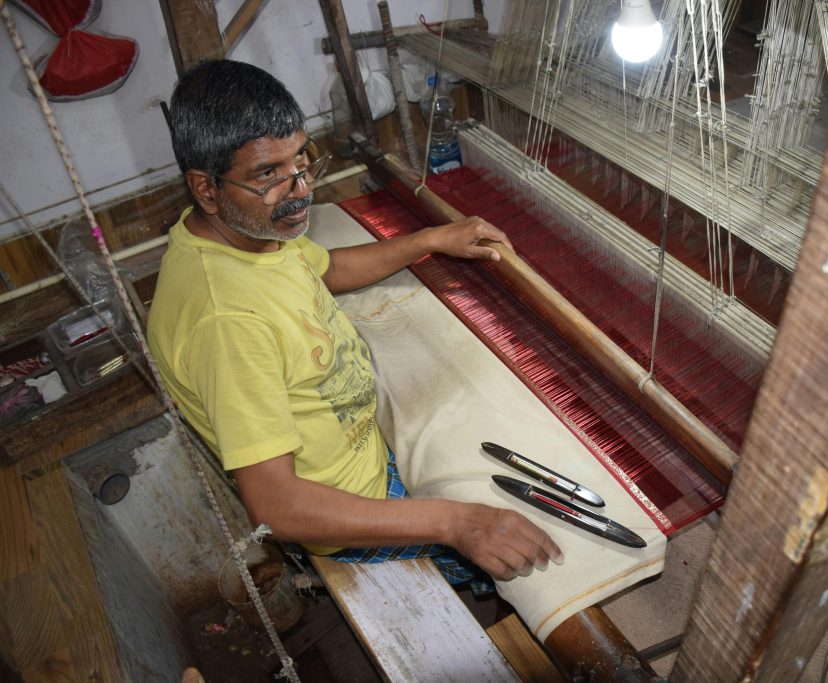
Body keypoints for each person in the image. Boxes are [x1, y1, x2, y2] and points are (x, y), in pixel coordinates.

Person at [147, 59, 561, 583]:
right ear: (206, 189)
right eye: (267, 175)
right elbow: (277, 508)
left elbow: (327, 269)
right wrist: (456, 522)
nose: (300, 189)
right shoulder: (226, 322)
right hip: (350, 508)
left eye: (302, 159)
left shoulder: (252, 233)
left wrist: (431, 239)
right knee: (538, 559)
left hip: (370, 445)